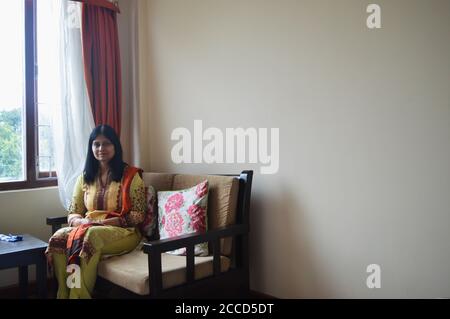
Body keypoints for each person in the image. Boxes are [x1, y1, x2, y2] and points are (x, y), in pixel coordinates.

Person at [46, 124, 147, 299]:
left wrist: (102, 223)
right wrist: (80, 222)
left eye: (106, 143)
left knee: (90, 237)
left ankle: (79, 296)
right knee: (59, 237)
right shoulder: (85, 177)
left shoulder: (130, 176)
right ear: (91, 147)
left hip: (124, 233)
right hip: (88, 229)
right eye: (96, 144)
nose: (101, 148)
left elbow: (138, 214)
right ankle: (65, 293)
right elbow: (73, 211)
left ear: (115, 146)